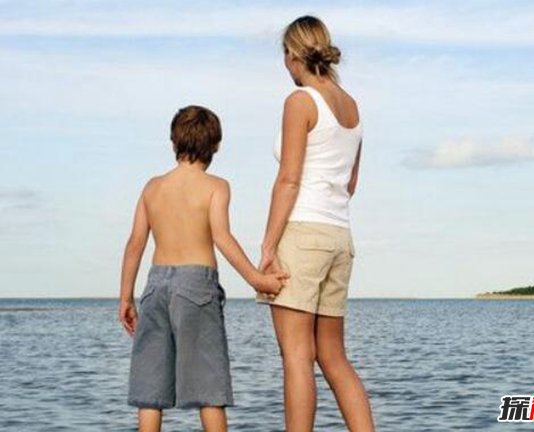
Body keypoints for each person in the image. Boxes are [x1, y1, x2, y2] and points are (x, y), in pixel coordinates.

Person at [118, 105, 287, 432]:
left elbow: (135, 243)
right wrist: (258, 279)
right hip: (197, 286)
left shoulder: (152, 187)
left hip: (155, 286)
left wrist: (125, 297)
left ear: (173, 142)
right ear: (216, 145)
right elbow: (222, 237)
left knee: (150, 391)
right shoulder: (216, 186)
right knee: (209, 388)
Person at [256, 15, 376, 432]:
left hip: (303, 234)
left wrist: (268, 246)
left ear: (293, 55)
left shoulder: (300, 101)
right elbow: (350, 184)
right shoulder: (352, 107)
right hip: (339, 236)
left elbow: (288, 180)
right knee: (333, 357)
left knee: (296, 357)